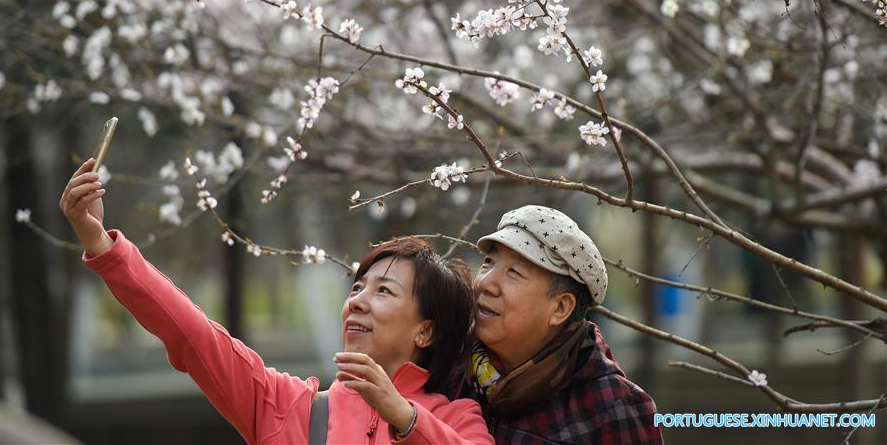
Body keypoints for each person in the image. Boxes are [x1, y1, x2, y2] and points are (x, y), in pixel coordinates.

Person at [59, 158, 494, 444]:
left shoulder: (458, 421)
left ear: (426, 329)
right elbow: (192, 335)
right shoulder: (290, 410)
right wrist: (104, 247)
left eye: (384, 291)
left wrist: (404, 416)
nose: (357, 302)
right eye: (357, 288)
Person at [449, 205, 662, 444]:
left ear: (560, 308)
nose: (485, 283)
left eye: (514, 272)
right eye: (489, 262)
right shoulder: (448, 368)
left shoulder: (612, 406)